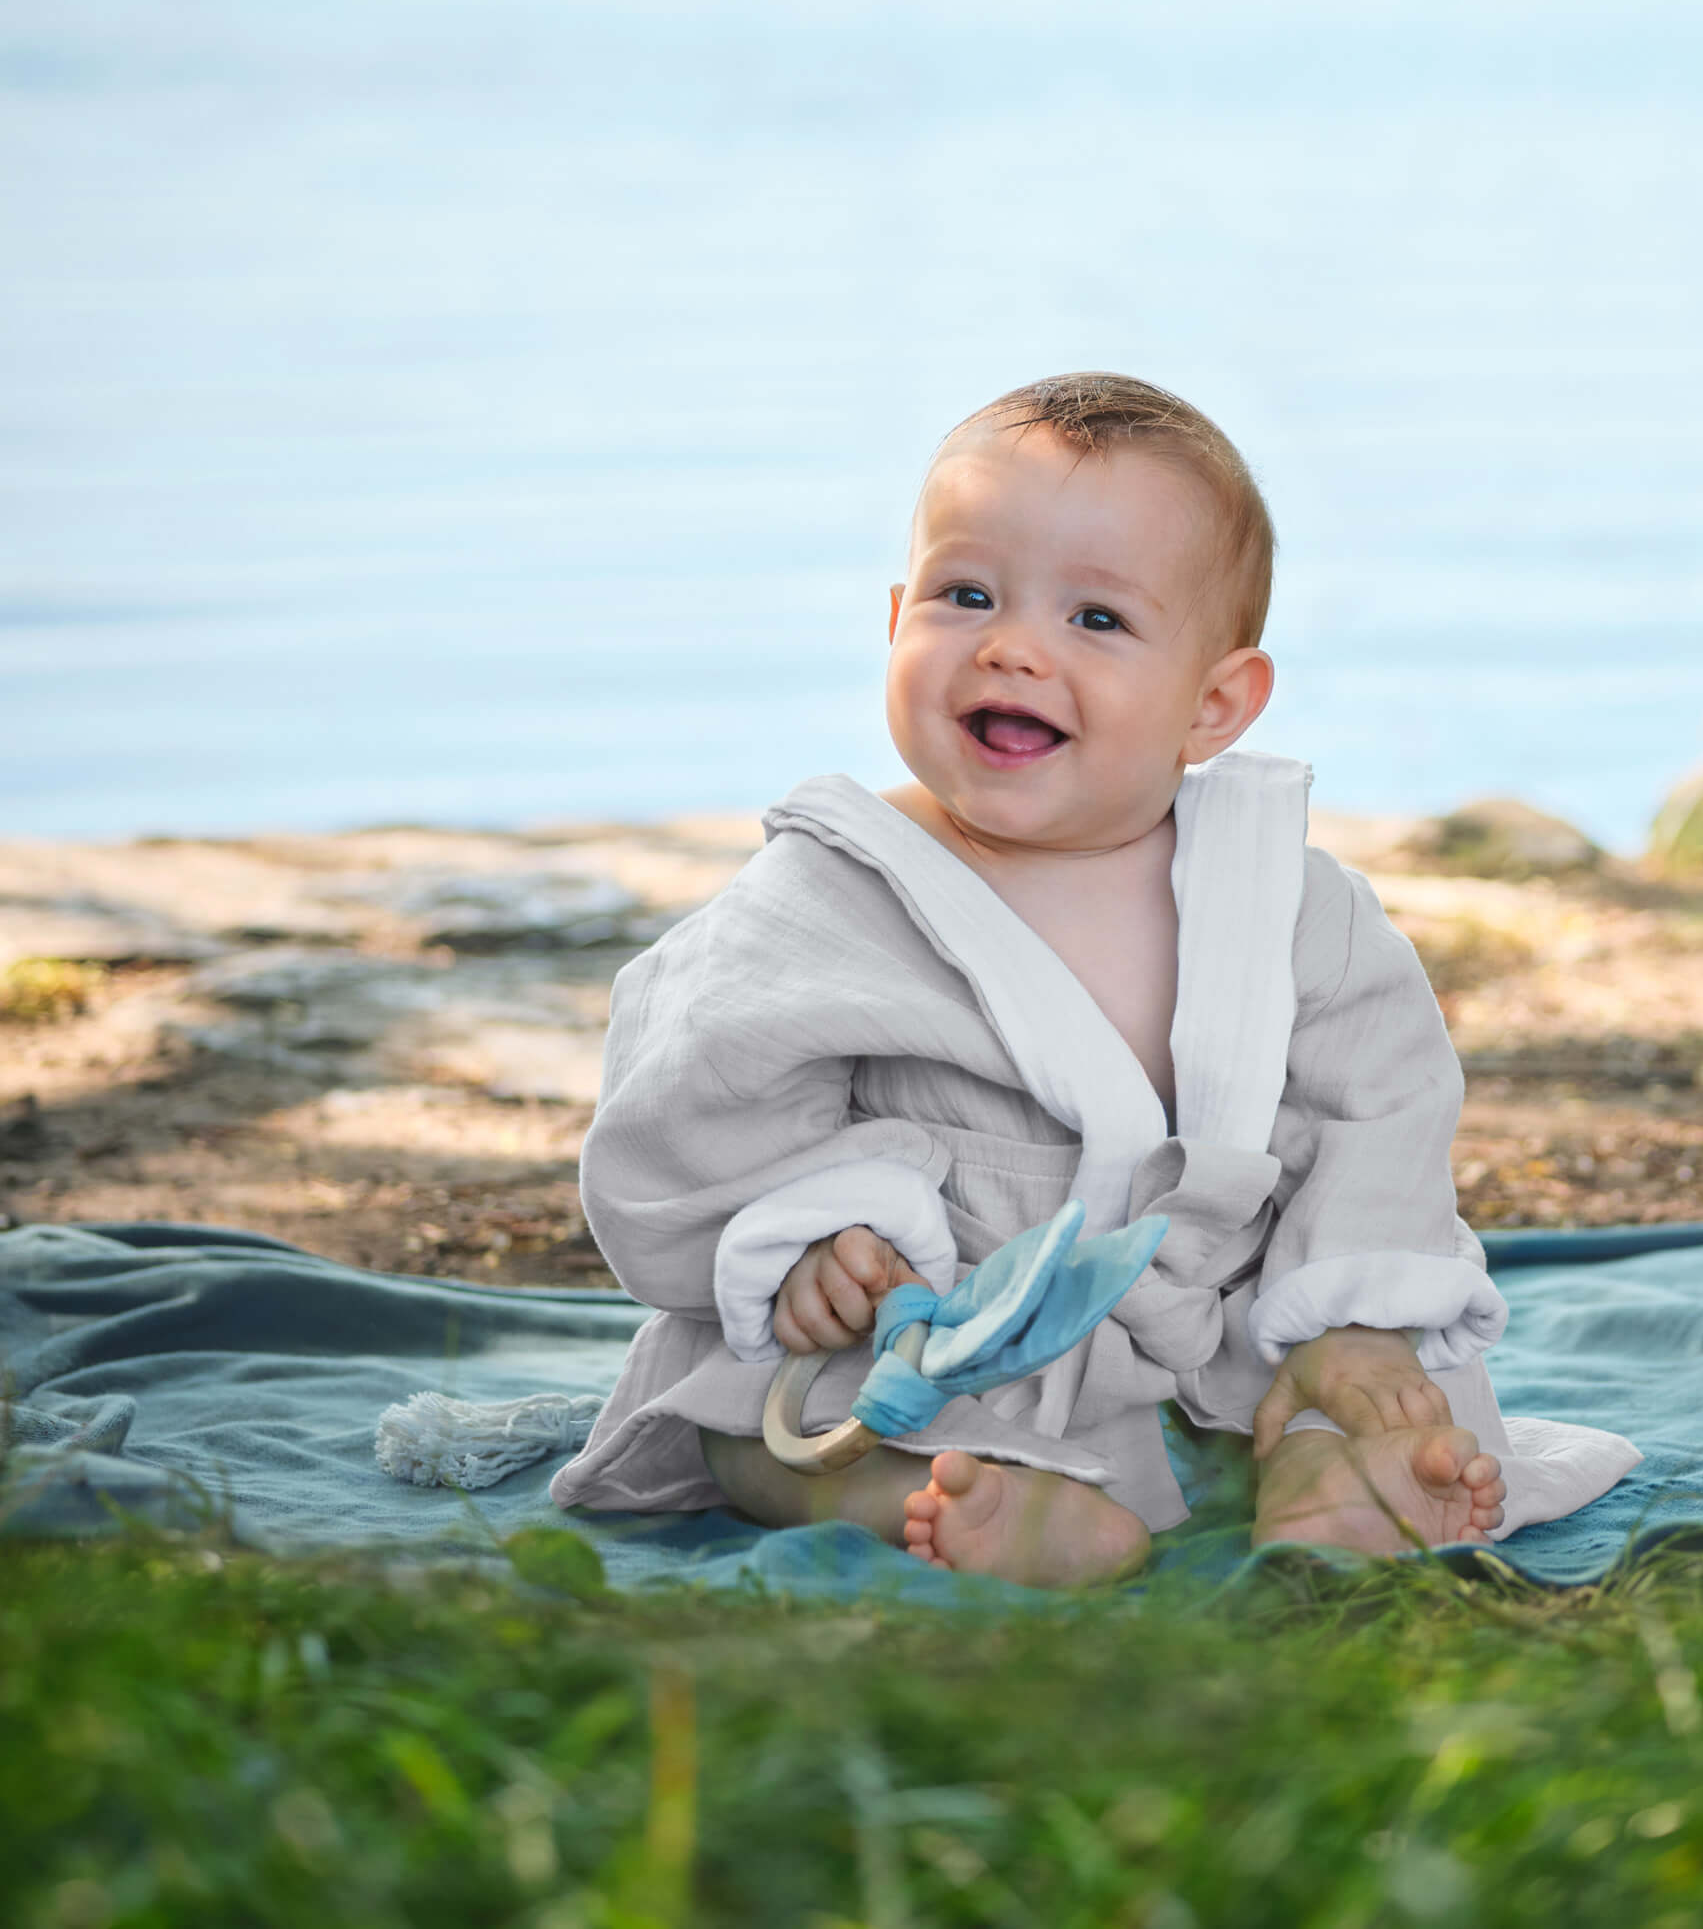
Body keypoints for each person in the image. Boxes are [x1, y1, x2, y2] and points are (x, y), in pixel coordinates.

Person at [551, 373, 1636, 1585]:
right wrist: (818, 1236)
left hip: (1219, 1324)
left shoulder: (1284, 900)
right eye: (967, 596)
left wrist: (1351, 1320)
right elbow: (687, 1100)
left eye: (1098, 621)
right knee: (754, 1423)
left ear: (1214, 703)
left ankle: (1331, 1462)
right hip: (939, 1327)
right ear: (896, 618)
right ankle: (934, 1497)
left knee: (1391, 1380)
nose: (1012, 644)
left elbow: (1378, 1108)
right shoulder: (829, 895)